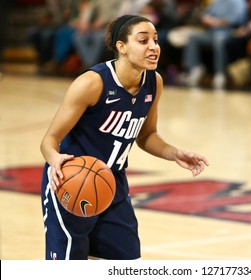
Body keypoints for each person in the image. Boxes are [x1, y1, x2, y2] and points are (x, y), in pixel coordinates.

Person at [40, 14, 209, 260]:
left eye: (155, 40)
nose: (153, 47)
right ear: (122, 47)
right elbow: (49, 140)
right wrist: (55, 160)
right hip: (70, 180)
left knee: (128, 264)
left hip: (112, 183)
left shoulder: (154, 81)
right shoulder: (91, 83)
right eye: (143, 41)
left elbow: (146, 135)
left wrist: (175, 153)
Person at [180, 0, 248, 89]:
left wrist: (215, 22)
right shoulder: (217, 2)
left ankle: (220, 73)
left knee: (219, 40)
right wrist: (206, 19)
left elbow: (234, 21)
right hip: (212, 32)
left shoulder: (238, 2)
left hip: (230, 32)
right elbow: (206, 15)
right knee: (192, 37)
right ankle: (194, 69)